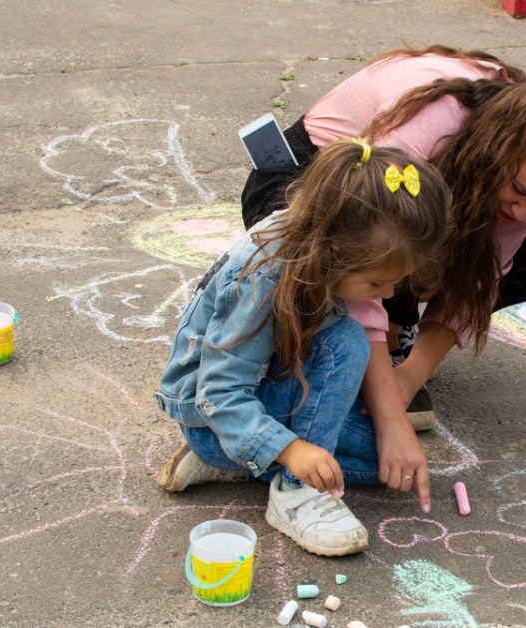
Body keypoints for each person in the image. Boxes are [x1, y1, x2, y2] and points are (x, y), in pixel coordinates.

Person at [240, 45, 526, 517]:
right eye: (520, 191)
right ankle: (328, 360)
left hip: (415, 198)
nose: (524, 212)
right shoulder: (429, 129)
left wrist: (410, 375)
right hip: (310, 177)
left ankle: (391, 348)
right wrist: (391, 420)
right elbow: (363, 257)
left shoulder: (524, 178)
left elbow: (479, 279)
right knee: (348, 264)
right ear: (505, 144)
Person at [154, 138, 451, 557]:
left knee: (391, 465)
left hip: (265, 390)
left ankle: (242, 460)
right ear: (334, 251)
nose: (386, 295)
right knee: (347, 342)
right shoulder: (262, 279)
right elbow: (217, 393)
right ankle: (294, 492)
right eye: (376, 283)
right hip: (213, 419)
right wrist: (292, 451)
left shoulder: (319, 236)